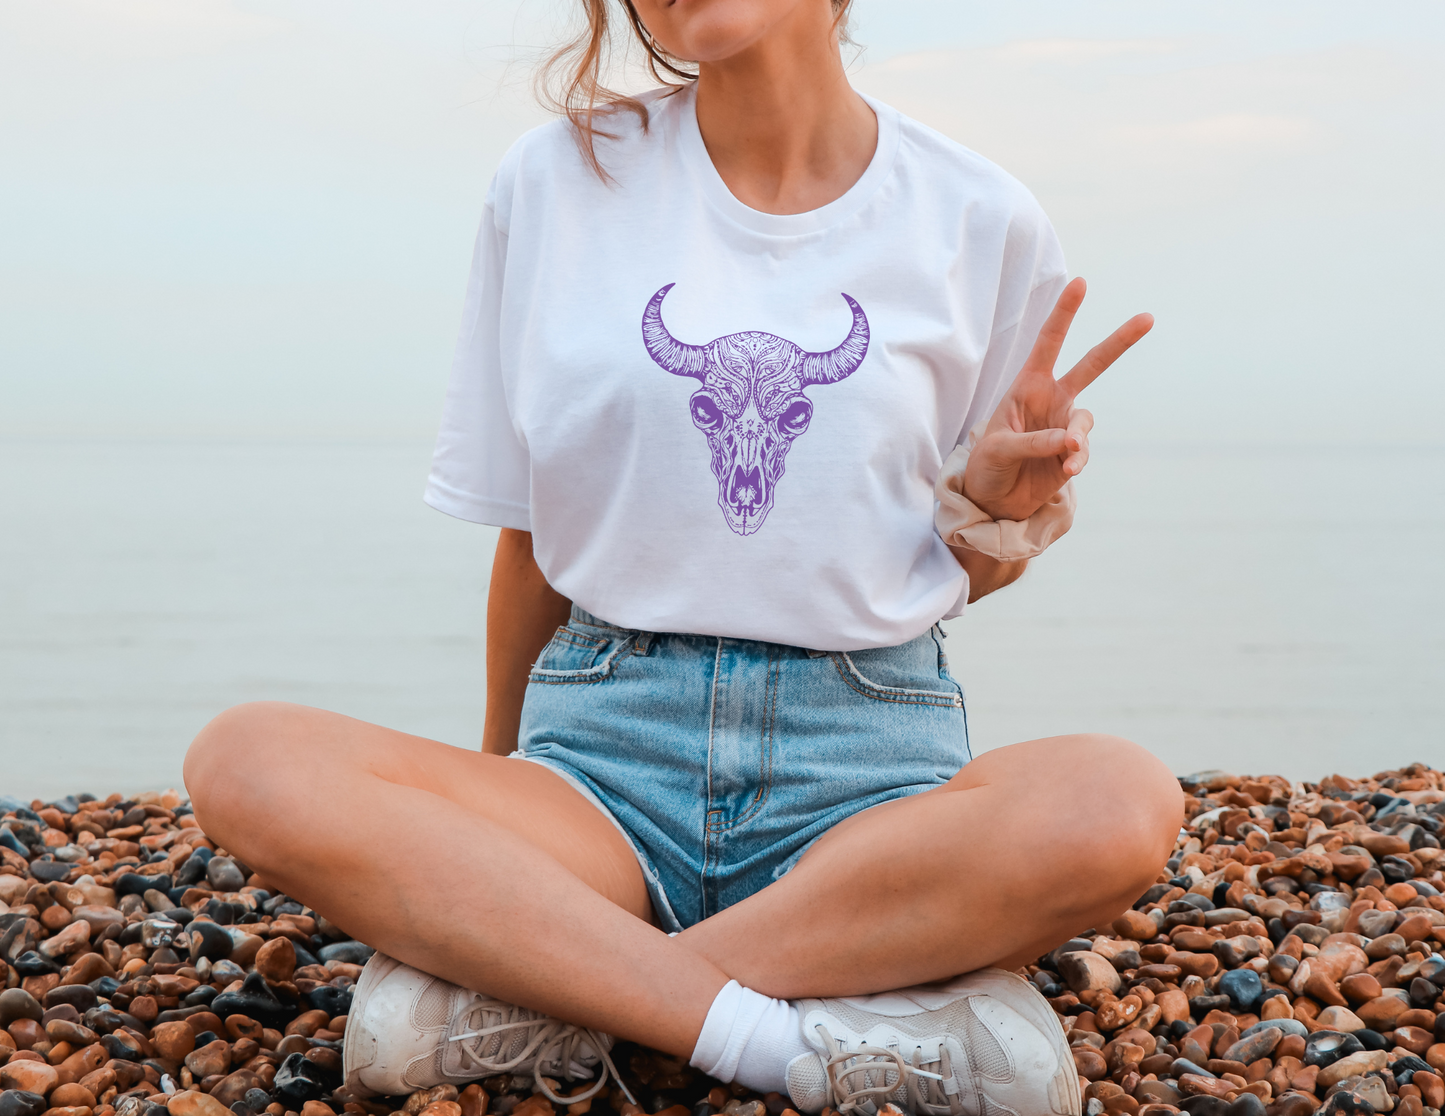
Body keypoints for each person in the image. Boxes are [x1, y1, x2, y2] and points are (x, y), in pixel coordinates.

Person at [185, 2, 1184, 1113]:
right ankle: (792, 1035)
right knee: (247, 758)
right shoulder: (551, 186)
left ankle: (559, 988)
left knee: (1119, 799)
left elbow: (965, 569)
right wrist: (486, 824)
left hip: (868, 777)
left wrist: (996, 509)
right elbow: (531, 537)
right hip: (600, 760)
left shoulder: (979, 218)